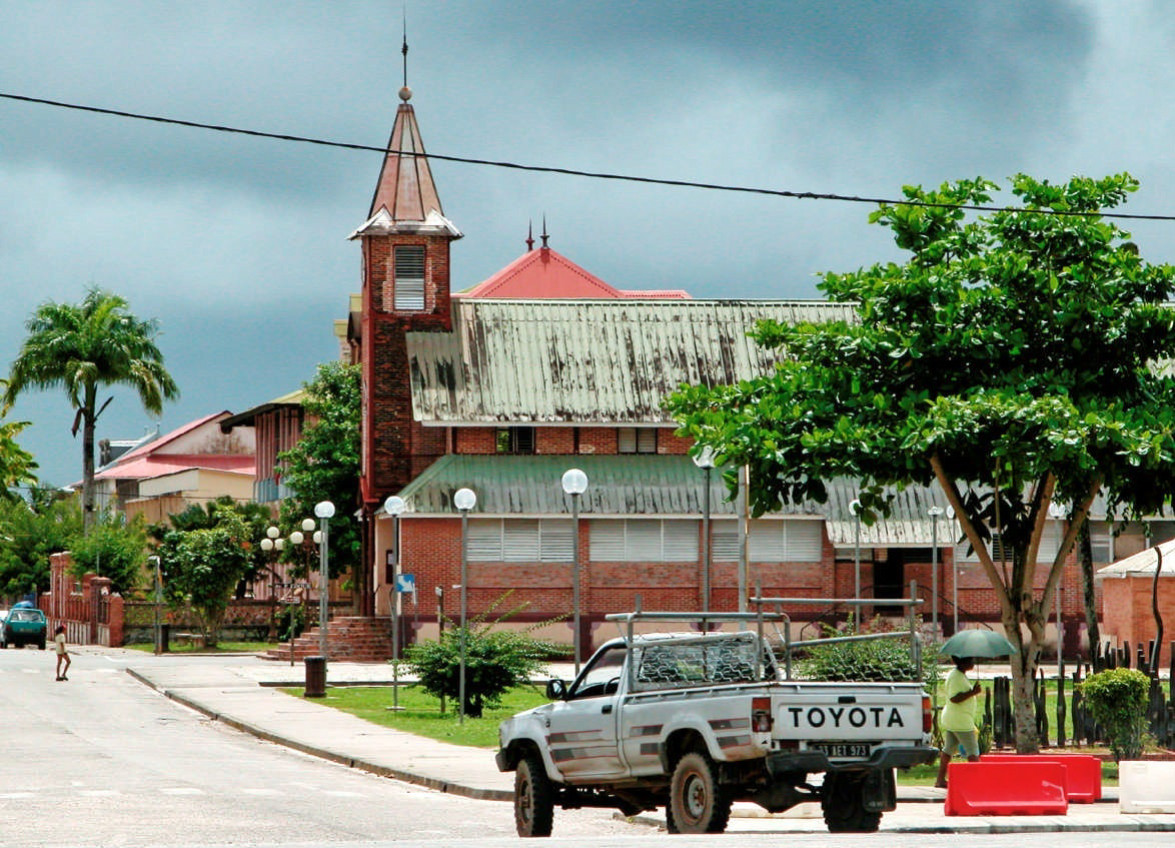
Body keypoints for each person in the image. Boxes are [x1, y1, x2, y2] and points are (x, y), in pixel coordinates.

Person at [935, 654, 982, 788]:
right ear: (963, 662)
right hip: (961, 721)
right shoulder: (956, 677)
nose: (973, 662)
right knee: (973, 752)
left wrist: (972, 691)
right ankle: (977, 783)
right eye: (970, 660)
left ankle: (940, 780)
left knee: (948, 750)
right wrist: (973, 692)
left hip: (954, 719)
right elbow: (954, 698)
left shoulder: (958, 675)